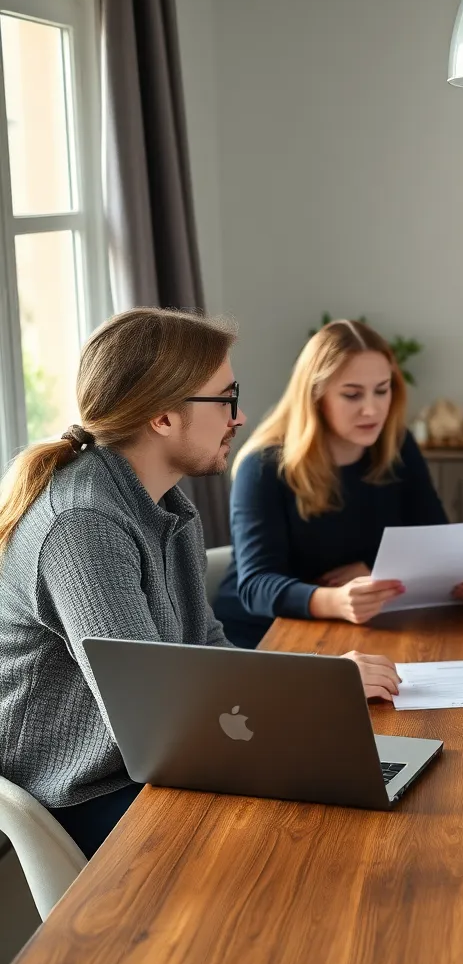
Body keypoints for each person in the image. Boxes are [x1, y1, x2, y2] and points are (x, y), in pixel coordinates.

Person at [0, 308, 399, 858]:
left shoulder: (165, 502)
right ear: (163, 418)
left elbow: (206, 649)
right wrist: (311, 693)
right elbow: (154, 722)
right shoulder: (83, 525)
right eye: (225, 399)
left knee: (354, 799)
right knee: (317, 841)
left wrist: (318, 689)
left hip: (152, 764)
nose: (239, 418)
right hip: (88, 792)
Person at [214, 319, 463, 649]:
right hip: (264, 639)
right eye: (352, 394)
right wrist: (334, 599)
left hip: (360, 629)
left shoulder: (397, 446)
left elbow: (434, 543)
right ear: (316, 397)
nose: (372, 409)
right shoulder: (262, 466)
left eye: (382, 389)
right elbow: (256, 586)